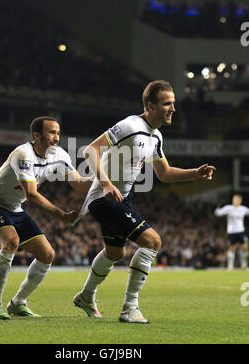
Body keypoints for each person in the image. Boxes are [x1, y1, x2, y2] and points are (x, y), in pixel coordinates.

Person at [72, 80, 216, 323]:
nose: (173, 109)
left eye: (173, 103)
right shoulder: (130, 125)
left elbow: (165, 173)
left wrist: (195, 173)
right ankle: (130, 308)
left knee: (115, 252)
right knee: (152, 241)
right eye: (167, 104)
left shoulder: (155, 136)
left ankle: (86, 296)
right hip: (104, 197)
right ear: (150, 105)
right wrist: (106, 183)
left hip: (122, 198)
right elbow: (90, 151)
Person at [0, 116, 92, 319]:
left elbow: (80, 184)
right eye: (51, 132)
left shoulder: (60, 155)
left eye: (58, 132)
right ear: (36, 135)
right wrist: (61, 215)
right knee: (11, 241)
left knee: (47, 255)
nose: (56, 137)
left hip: (15, 208)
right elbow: (32, 195)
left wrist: (105, 179)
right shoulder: (23, 154)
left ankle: (18, 303)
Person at [214, 194, 249, 270]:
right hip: (231, 232)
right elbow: (219, 213)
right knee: (232, 248)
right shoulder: (228, 208)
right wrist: (217, 209)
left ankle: (244, 264)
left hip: (241, 231)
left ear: (240, 201)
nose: (235, 201)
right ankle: (230, 265)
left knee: (245, 248)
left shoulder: (243, 209)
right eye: (234, 199)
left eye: (237, 200)